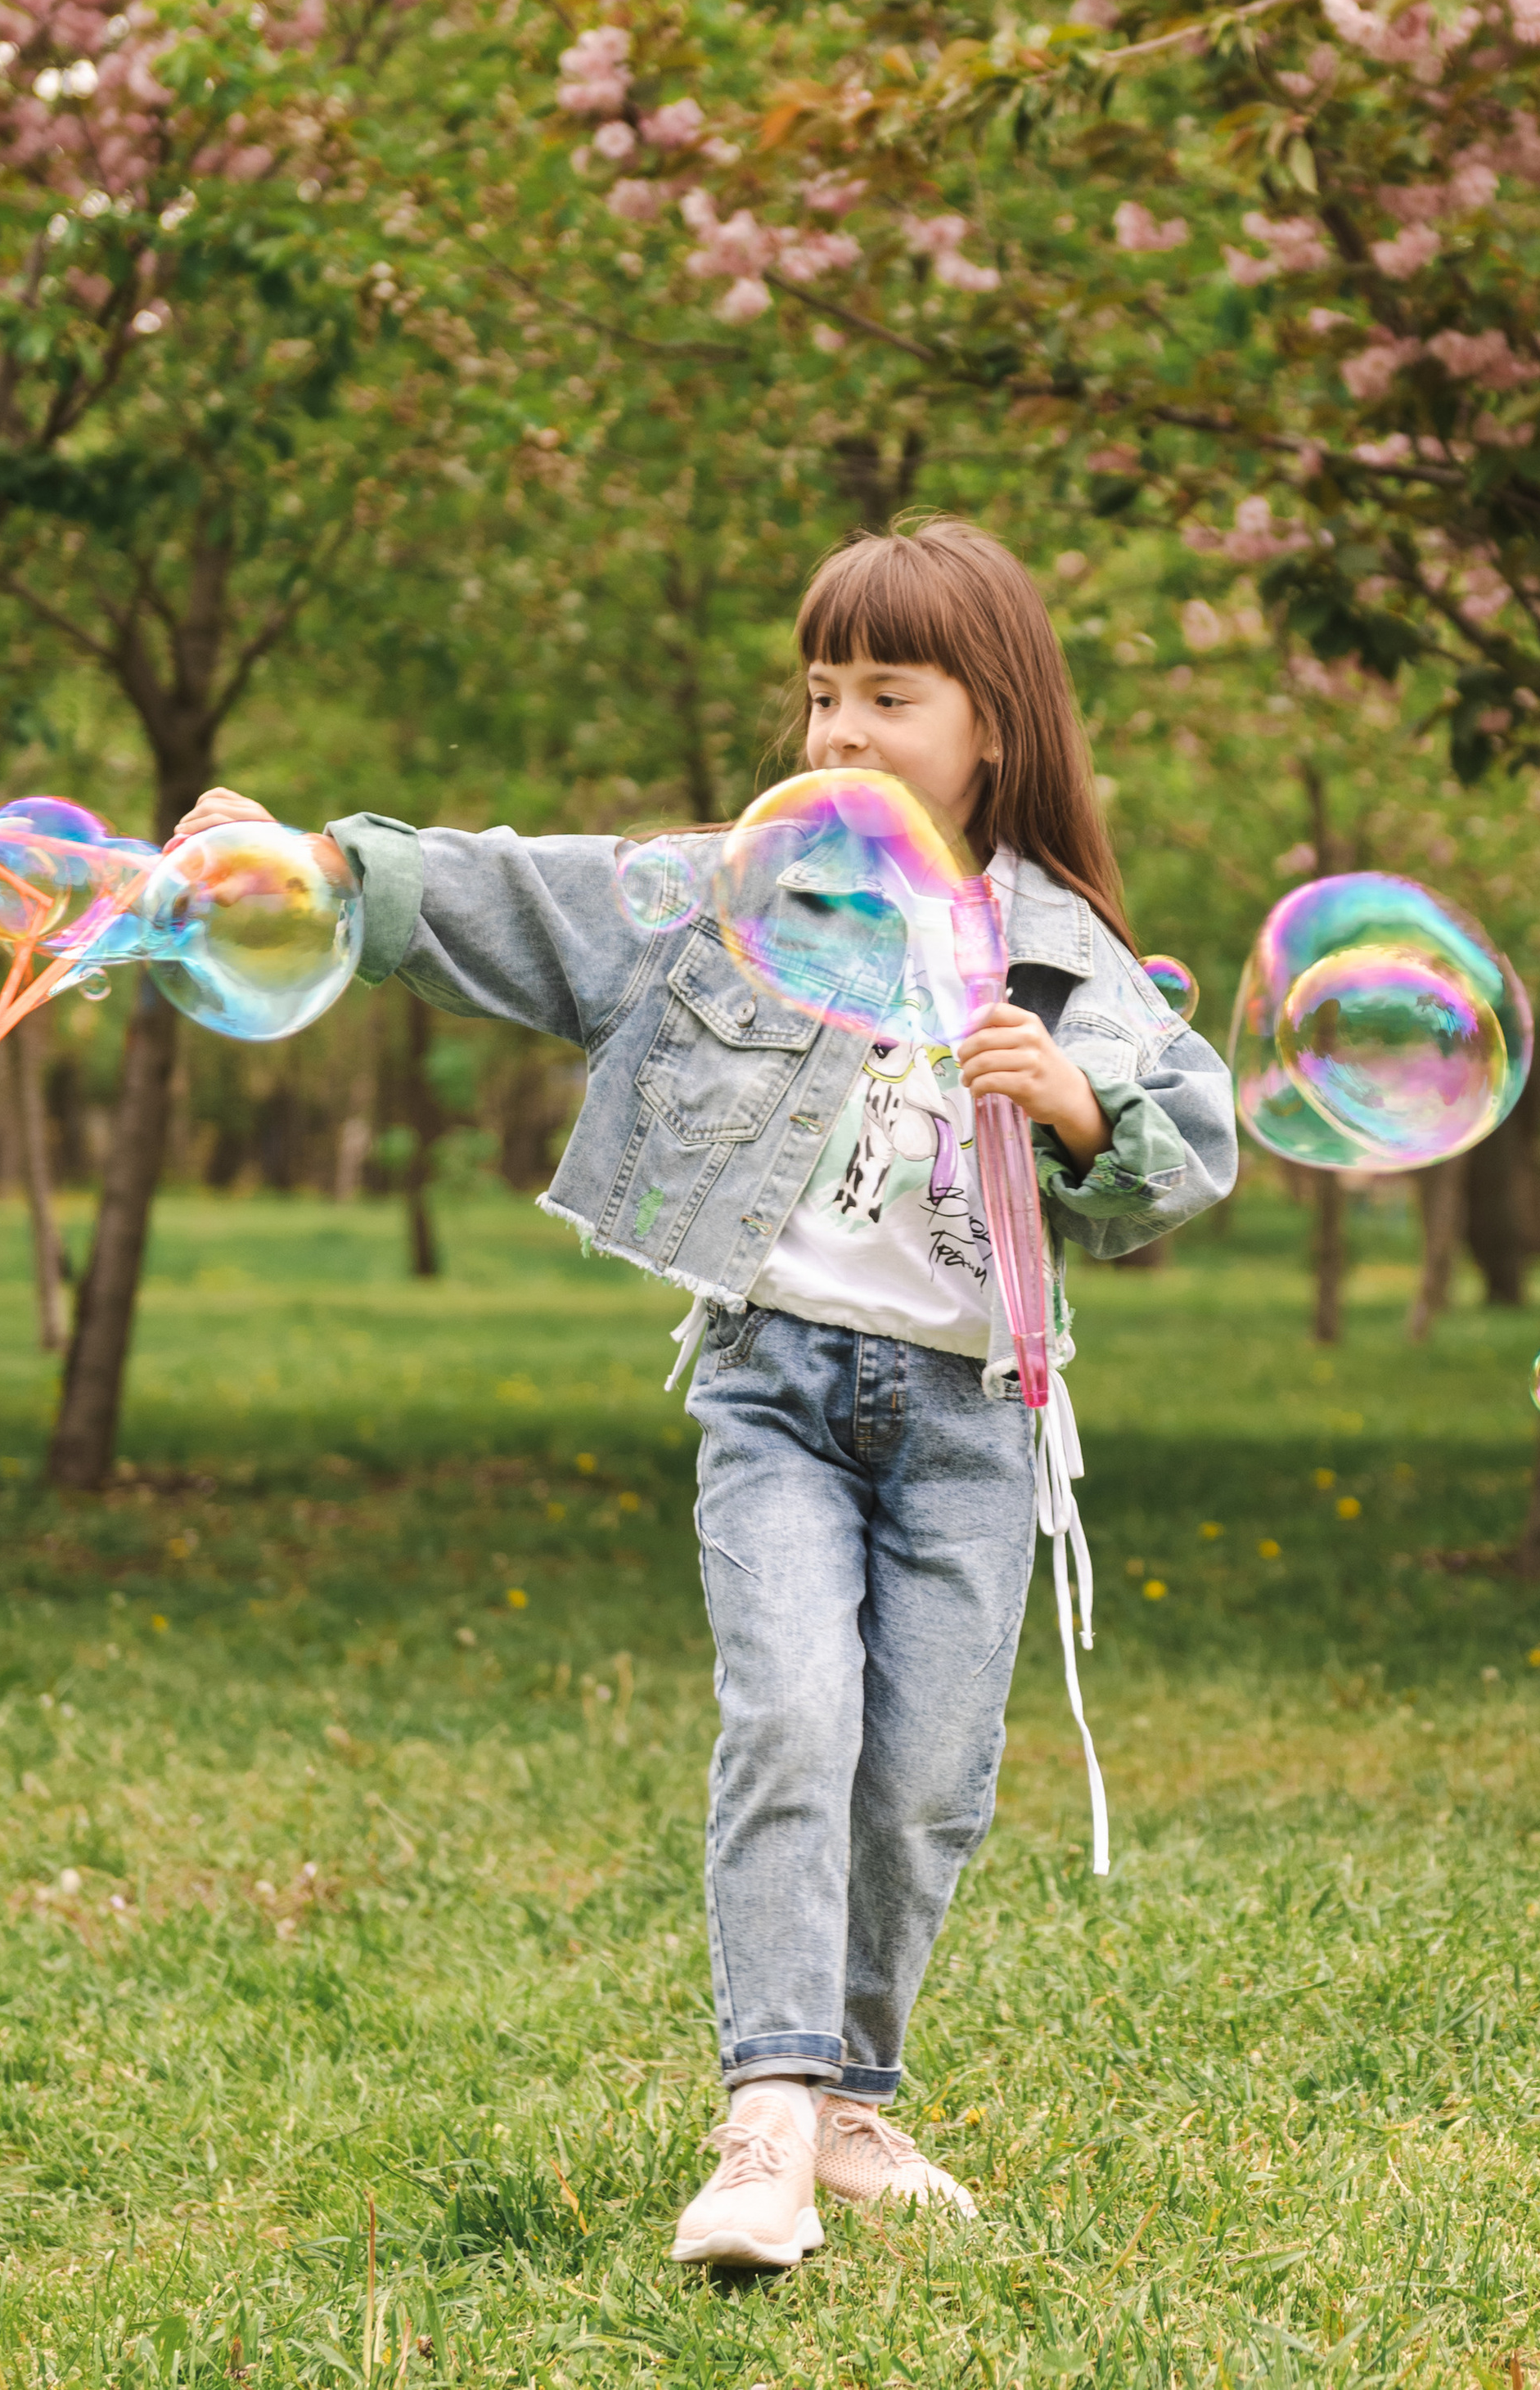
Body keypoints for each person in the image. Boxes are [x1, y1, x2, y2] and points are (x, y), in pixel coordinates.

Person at [174, 517, 1236, 2269]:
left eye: (889, 692)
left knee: (922, 1774)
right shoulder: (746, 891)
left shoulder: (1067, 954)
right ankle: (763, 2115)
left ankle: (852, 2101)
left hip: (973, 1422)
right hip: (776, 1390)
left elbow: (1183, 1153)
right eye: (820, 689)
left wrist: (1077, 1109)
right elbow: (520, 892)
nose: (838, 729)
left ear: (995, 723)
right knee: (795, 1713)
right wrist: (321, 861)